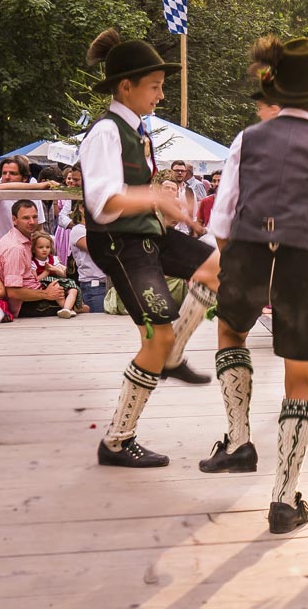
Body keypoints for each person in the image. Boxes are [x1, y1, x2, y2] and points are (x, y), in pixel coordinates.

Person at [200, 36, 308, 534]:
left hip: (248, 253)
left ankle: (238, 440)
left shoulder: (246, 139)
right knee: (300, 376)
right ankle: (283, 499)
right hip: (299, 262)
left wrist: (223, 263)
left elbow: (223, 219)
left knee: (231, 332)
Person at [80, 28, 220, 470]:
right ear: (127, 86)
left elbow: (138, 196)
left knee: (218, 265)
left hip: (148, 236)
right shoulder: (105, 133)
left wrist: (173, 212)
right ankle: (117, 441)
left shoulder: (136, 130)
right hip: (121, 245)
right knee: (155, 336)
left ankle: (174, 353)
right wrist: (155, 197)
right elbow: (102, 205)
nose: (161, 95)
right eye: (155, 86)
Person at [0, 200, 65, 318]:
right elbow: (13, 292)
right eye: (26, 218)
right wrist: (46, 294)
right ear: (14, 220)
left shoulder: (23, 240)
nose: (32, 222)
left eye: (34, 217)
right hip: (24, 305)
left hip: (33, 295)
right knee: (77, 307)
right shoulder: (15, 248)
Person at [0, 155, 53, 238]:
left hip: (26, 248)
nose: (7, 177)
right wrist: (39, 186)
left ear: (24, 178)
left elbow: (39, 228)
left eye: (13, 173)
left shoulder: (33, 195)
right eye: (4, 173)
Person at [68, 204, 108, 313]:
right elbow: (97, 250)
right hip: (94, 286)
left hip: (108, 283)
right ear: (81, 208)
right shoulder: (78, 230)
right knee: (98, 324)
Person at [30, 231, 79, 318]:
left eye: (47, 247)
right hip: (46, 283)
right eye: (41, 247)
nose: (45, 249)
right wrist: (46, 272)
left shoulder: (53, 259)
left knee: (73, 289)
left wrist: (54, 269)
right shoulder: (33, 262)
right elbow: (36, 279)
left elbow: (63, 274)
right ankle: (68, 308)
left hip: (57, 279)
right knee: (56, 288)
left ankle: (67, 308)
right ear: (34, 249)